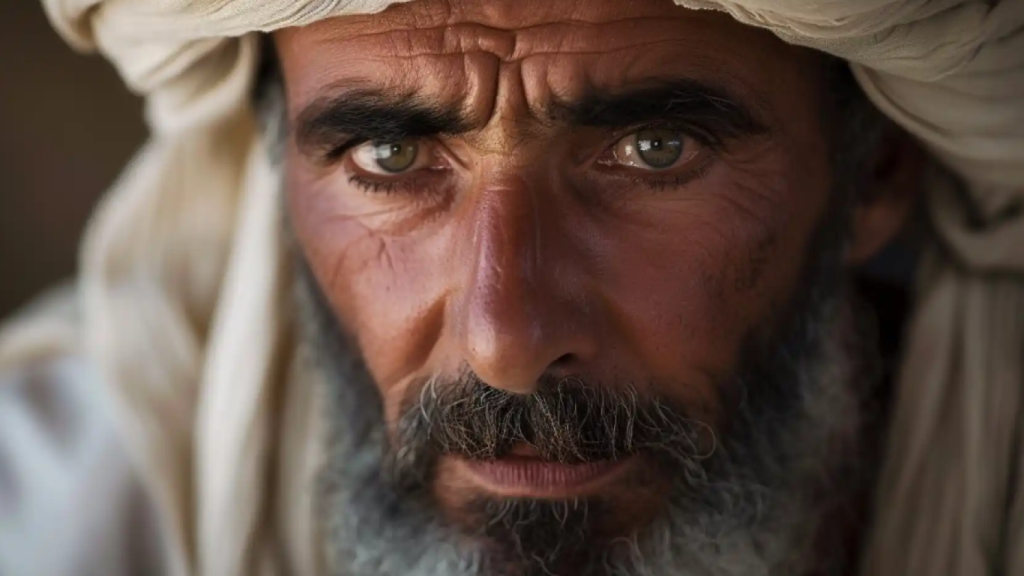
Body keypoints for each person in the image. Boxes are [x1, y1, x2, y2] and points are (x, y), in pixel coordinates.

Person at [1, 0, 1022, 575]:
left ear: (878, 171)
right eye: (391, 157)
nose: (505, 338)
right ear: (275, 168)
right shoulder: (65, 513)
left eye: (652, 150)